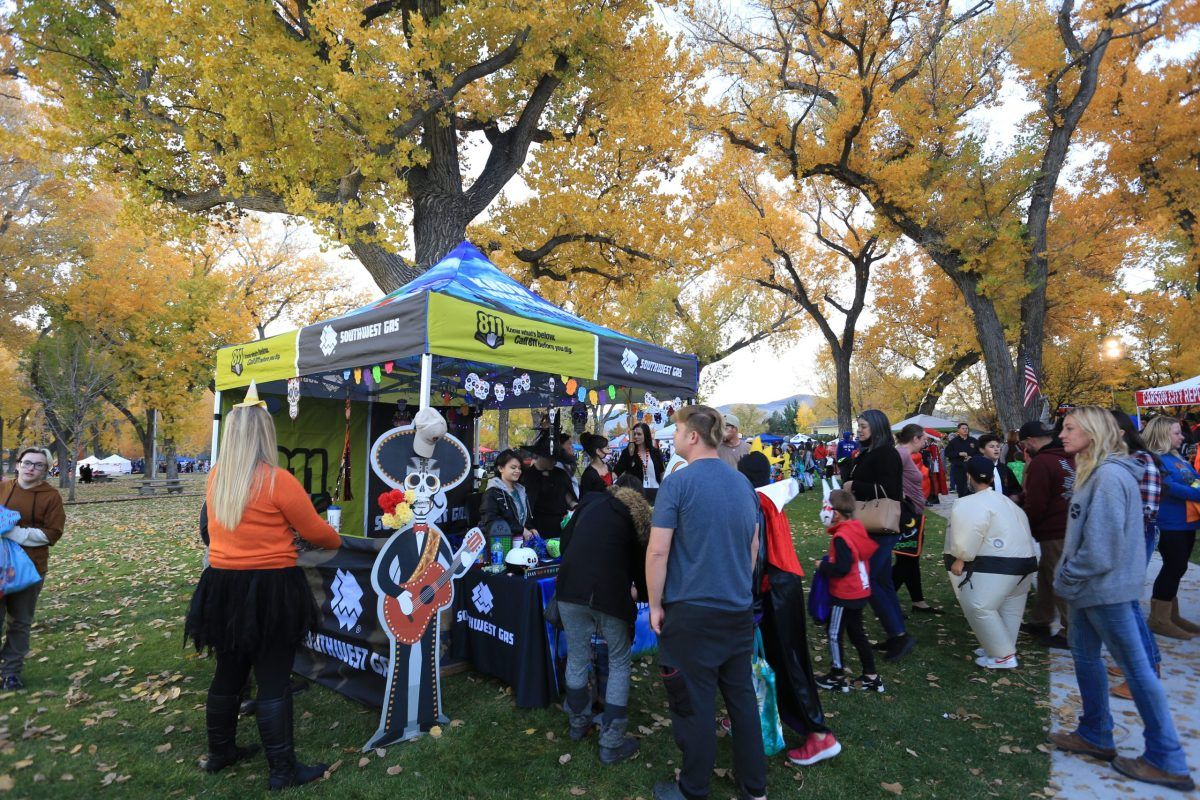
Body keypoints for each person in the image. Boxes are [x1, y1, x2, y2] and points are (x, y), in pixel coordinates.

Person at [184, 394, 341, 790]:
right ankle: (283, 771)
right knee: (272, 677)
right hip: (270, 586)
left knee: (228, 671)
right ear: (264, 435)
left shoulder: (217, 475)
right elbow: (321, 535)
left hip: (222, 585)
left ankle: (221, 752)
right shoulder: (277, 480)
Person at [1048, 407, 1194, 793]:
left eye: (1069, 428)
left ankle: (1167, 759)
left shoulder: (1110, 477)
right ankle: (1095, 732)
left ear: (1093, 433)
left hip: (1105, 591)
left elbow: (1101, 549)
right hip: (1088, 590)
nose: (1061, 434)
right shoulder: (1093, 471)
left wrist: (1063, 577)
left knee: (1138, 672)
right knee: (1084, 657)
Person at [647, 405, 766, 800]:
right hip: (736, 610)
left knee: (693, 704)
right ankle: (754, 788)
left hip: (692, 613)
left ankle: (693, 788)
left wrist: (654, 604)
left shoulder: (678, 484)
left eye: (678, 430)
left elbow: (658, 552)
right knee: (741, 700)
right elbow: (752, 547)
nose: (674, 437)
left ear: (693, 436)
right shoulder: (741, 484)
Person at [736, 453, 840, 766]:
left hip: (773, 588)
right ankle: (762, 717)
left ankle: (819, 734)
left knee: (787, 661)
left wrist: (751, 597)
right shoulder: (769, 496)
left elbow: (758, 554)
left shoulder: (756, 501)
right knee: (772, 658)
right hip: (783, 585)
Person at [556, 477, 650, 764]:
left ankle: (577, 724)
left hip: (570, 589)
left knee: (577, 656)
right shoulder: (637, 521)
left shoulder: (590, 504)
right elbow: (641, 565)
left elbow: (564, 544)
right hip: (610, 594)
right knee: (620, 663)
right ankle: (611, 743)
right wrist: (642, 592)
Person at [944, 456, 1037, 669]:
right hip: (1026, 564)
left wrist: (961, 558)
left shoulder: (969, 503)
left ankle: (1002, 655)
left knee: (979, 606)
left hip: (999, 566)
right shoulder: (1007, 502)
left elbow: (971, 531)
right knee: (1010, 607)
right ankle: (998, 645)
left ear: (969, 476)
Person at [847, 410, 916, 661]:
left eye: (863, 426)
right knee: (883, 581)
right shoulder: (871, 452)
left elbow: (889, 489)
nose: (859, 430)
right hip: (873, 526)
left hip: (881, 526)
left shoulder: (885, 453)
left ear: (876, 427)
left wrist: (854, 486)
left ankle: (898, 635)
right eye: (859, 426)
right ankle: (897, 634)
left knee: (872, 581)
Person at [0, 447, 66, 690]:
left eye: (39, 465)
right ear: (18, 464)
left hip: (30, 568)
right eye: (27, 463)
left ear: (46, 470)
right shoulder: (3, 488)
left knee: (19, 622)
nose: (31, 468)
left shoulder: (51, 496)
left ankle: (11, 673)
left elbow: (53, 533)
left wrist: (14, 532)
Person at [1108, 411, 1162, 701]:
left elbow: (1145, 511)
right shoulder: (1120, 461)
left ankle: (1146, 673)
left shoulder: (1139, 460)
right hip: (1126, 536)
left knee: (1126, 604)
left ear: (1118, 431)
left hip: (1133, 537)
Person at [816, 489, 883, 693]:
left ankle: (837, 675)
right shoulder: (855, 527)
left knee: (834, 633)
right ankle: (871, 676)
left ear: (835, 513)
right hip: (860, 592)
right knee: (857, 634)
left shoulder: (841, 537)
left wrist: (822, 566)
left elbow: (842, 568)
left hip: (846, 594)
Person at [1141, 416, 1200, 640]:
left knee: (1179, 567)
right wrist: (1197, 492)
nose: (1182, 436)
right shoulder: (1154, 459)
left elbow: (1193, 479)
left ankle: (1170, 614)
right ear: (1163, 434)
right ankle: (1159, 619)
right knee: (1173, 566)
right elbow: (1167, 487)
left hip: (1187, 521)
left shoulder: (1177, 458)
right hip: (1169, 523)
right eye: (1177, 433)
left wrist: (1197, 487)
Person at [1019, 419, 1075, 649]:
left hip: (1054, 530)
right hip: (1070, 525)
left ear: (1031, 441)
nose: (1024, 449)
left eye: (1024, 444)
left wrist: (1027, 527)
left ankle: (1071, 631)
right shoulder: (1068, 458)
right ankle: (1041, 619)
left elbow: (1037, 502)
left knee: (1058, 579)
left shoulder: (1041, 462)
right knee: (1046, 574)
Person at [893, 424, 941, 615]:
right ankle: (881, 598)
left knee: (911, 558)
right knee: (905, 561)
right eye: (923, 438)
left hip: (912, 513)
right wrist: (903, 497)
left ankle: (918, 602)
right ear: (915, 438)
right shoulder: (901, 455)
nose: (925, 442)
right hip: (907, 516)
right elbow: (889, 481)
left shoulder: (905, 455)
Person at [521, 432, 576, 535]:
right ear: (541, 456)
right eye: (551, 459)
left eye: (556, 459)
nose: (554, 462)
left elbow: (569, 499)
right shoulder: (527, 476)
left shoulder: (561, 475)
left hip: (561, 526)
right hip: (536, 528)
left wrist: (575, 508)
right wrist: (529, 527)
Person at [480, 449, 535, 547]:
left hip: (520, 544)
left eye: (519, 468)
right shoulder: (492, 492)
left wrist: (530, 529)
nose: (517, 471)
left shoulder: (521, 491)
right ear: (501, 468)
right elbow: (491, 522)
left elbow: (523, 517)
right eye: (513, 467)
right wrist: (521, 530)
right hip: (500, 546)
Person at [615, 422, 666, 503]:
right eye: (634, 434)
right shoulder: (628, 453)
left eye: (639, 434)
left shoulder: (656, 452)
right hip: (636, 496)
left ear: (646, 435)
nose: (636, 436)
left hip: (656, 493)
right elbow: (616, 472)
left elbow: (662, 473)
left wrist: (665, 490)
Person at [977, 434, 1022, 500]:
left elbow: (1015, 488)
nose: (996, 449)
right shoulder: (977, 468)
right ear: (982, 450)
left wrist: (1014, 496)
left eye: (998, 446)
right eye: (991, 447)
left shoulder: (1005, 469)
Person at [944, 422, 978, 497]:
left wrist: (972, 457)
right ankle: (962, 502)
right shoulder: (954, 442)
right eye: (963, 428)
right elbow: (947, 453)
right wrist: (959, 454)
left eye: (966, 428)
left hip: (972, 468)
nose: (965, 430)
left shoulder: (973, 441)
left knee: (974, 489)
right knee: (961, 488)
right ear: (958, 430)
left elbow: (980, 452)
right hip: (959, 467)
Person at [577, 432, 614, 497]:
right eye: (607, 448)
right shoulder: (588, 475)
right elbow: (584, 500)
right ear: (598, 451)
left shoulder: (608, 467)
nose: (610, 451)